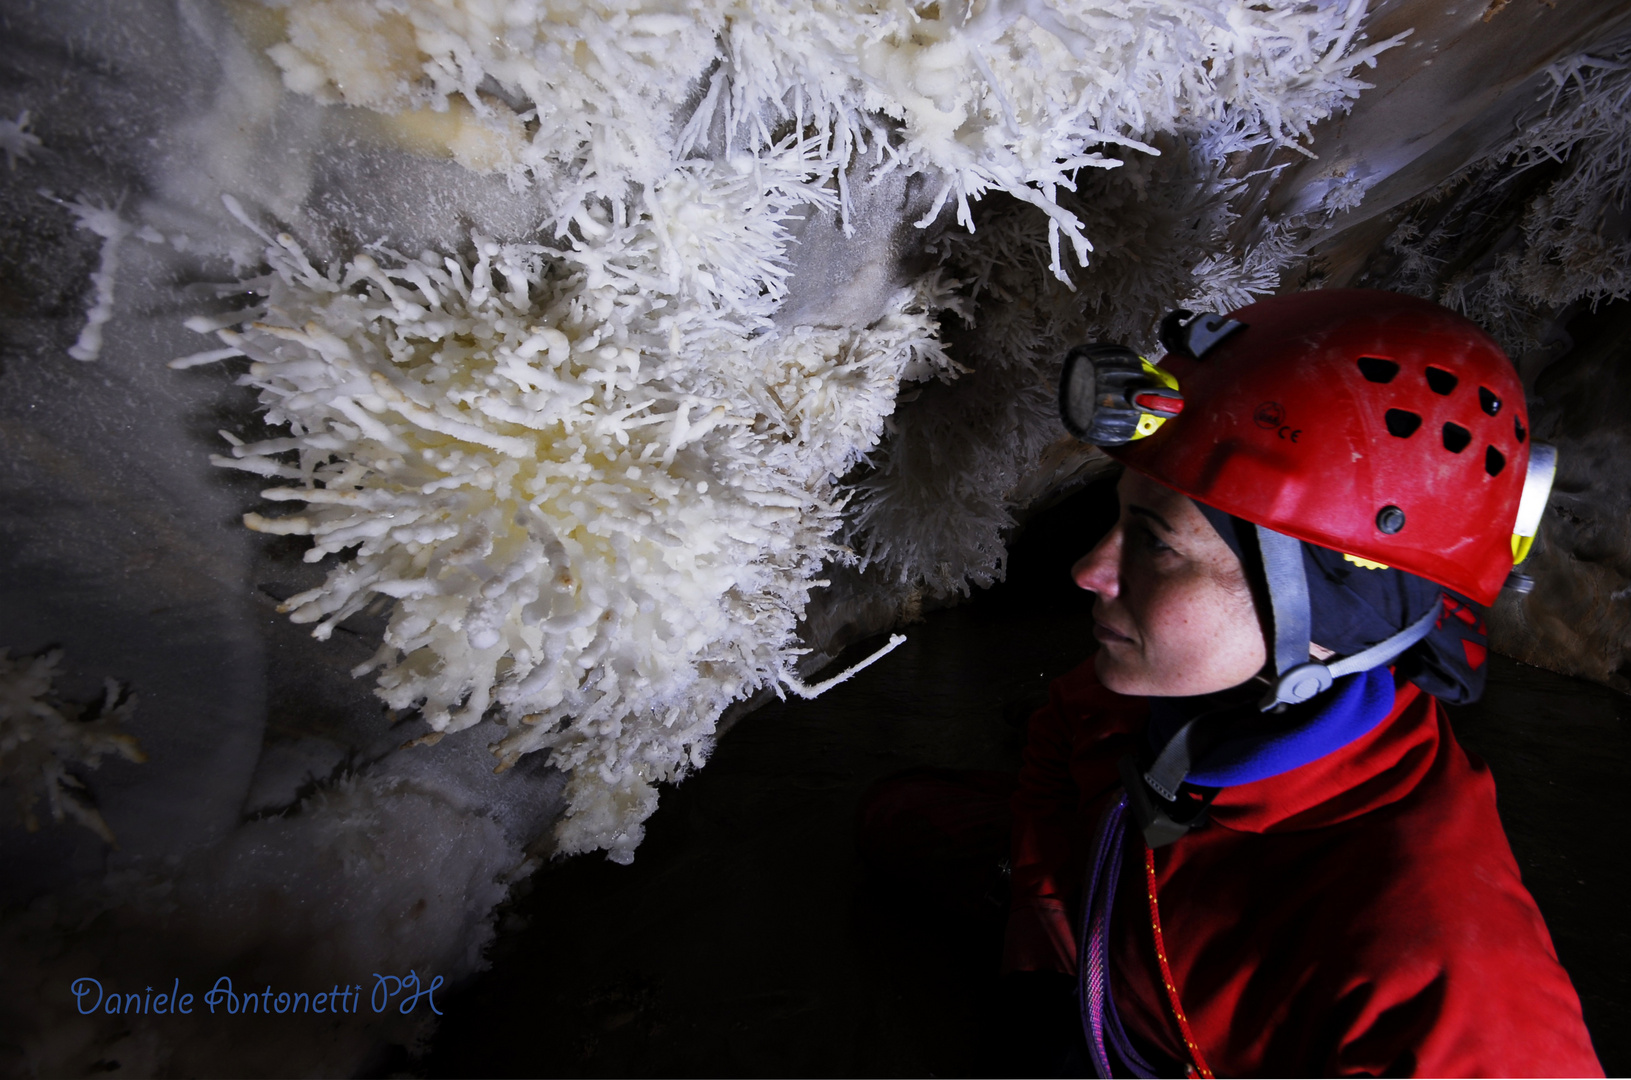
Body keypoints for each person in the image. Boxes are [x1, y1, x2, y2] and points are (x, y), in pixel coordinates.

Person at [857, 290, 1602, 1076]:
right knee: (895, 816)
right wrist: (1043, 944)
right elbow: (1062, 730)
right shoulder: (1166, 695)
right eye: (1118, 520)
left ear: (1326, 610)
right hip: (1121, 946)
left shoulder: (1445, 982)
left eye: (1154, 544)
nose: (1087, 570)